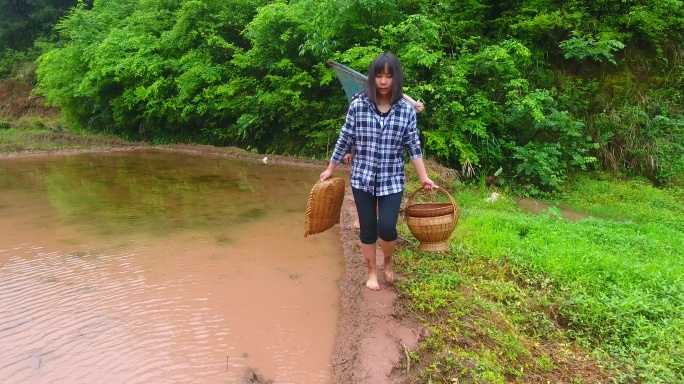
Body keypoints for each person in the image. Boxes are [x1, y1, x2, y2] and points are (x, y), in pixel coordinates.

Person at [320, 52, 435, 291]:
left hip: (391, 180)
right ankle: (371, 270)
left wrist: (424, 178)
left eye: (389, 76)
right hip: (362, 179)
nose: (383, 81)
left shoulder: (405, 110)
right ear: (372, 77)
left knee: (387, 227)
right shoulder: (359, 104)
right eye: (379, 75)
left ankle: (388, 260)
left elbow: (413, 147)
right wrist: (330, 168)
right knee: (368, 229)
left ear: (396, 79)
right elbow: (345, 137)